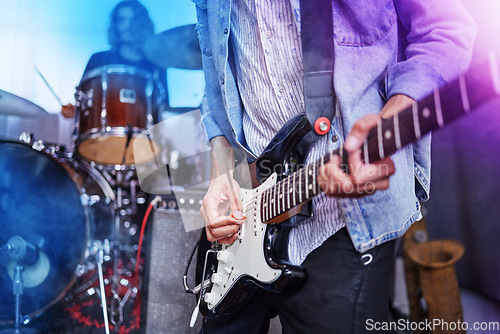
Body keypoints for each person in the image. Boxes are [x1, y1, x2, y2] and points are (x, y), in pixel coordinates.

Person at [194, 0, 476, 333]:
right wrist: (221, 173)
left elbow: (446, 29)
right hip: (248, 208)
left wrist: (391, 123)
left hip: (342, 217)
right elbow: (216, 82)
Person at [61, 0, 168, 118]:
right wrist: (73, 110)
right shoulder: (98, 60)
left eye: (133, 21)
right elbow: (83, 102)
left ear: (143, 25)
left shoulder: (156, 65)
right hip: (101, 134)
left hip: (145, 134)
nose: (127, 26)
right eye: (121, 20)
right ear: (115, 25)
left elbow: (164, 109)